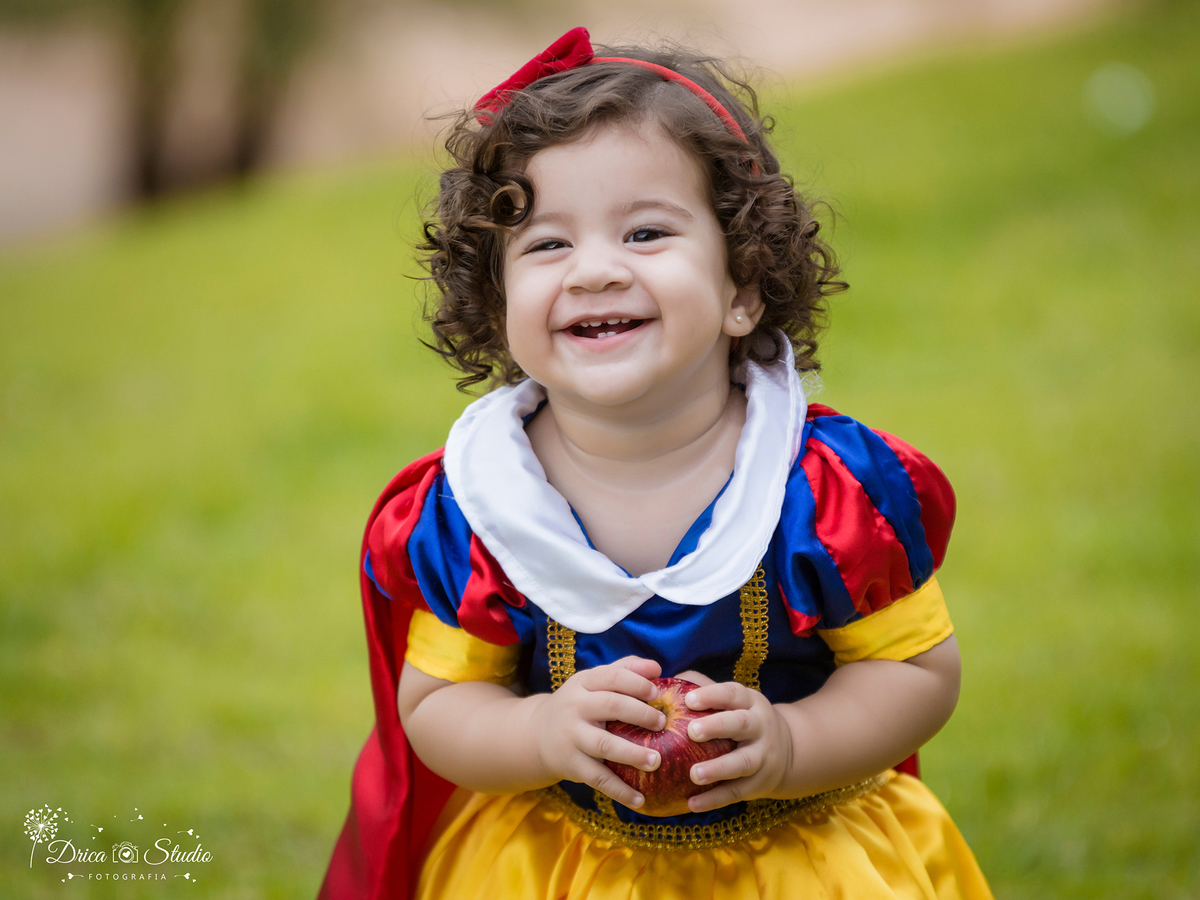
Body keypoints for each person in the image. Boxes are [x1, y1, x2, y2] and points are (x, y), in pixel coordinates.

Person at [320, 26, 993, 900]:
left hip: (800, 859)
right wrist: (541, 734)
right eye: (547, 244)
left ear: (741, 287)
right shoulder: (485, 505)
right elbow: (436, 706)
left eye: (645, 232)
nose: (594, 271)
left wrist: (793, 744)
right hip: (558, 865)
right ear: (498, 300)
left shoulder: (819, 490)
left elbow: (915, 670)